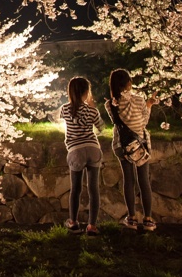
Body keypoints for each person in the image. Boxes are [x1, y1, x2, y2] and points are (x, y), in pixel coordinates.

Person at [105, 68, 157, 232]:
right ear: (128, 83)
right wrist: (149, 105)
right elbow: (143, 122)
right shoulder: (139, 100)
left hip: (123, 146)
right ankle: (148, 219)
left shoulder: (110, 104)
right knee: (144, 181)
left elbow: (117, 123)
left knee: (129, 181)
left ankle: (132, 218)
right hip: (140, 146)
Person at [60, 76, 104, 235]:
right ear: (87, 92)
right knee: (94, 190)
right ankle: (92, 226)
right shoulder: (92, 110)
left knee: (76, 188)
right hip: (93, 148)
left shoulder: (65, 109)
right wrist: (93, 109)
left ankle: (73, 222)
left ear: (70, 92)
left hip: (75, 150)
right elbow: (101, 129)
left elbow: (69, 121)